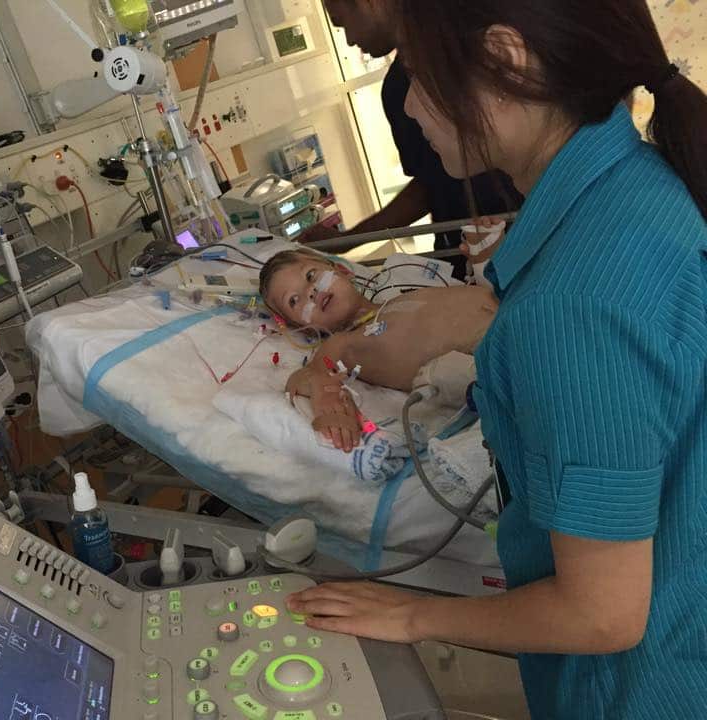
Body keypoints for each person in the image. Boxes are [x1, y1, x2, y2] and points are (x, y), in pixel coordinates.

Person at [287, 1, 707, 718]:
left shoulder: (569, 306)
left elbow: (601, 615)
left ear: (508, 61)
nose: (412, 108)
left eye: (418, 74)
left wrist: (410, 616)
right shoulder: (646, 187)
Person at [303, 0, 523, 279]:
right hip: (468, 252)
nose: (348, 40)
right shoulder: (398, 89)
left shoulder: (472, 43)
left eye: (342, 22)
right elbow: (431, 183)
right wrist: (349, 239)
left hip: (509, 238)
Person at [259, 249, 496, 450]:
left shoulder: (401, 298)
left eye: (311, 276)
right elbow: (306, 376)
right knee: (450, 373)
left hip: (515, 309)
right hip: (492, 356)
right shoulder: (344, 342)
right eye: (294, 300)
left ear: (342, 271)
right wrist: (326, 395)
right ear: (305, 328)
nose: (311, 292)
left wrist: (485, 255)